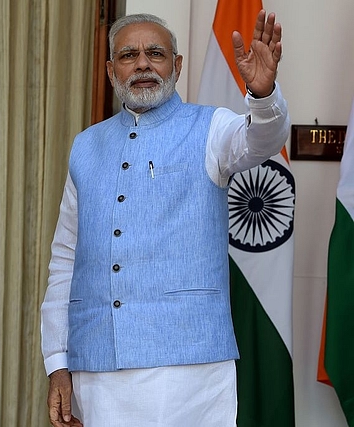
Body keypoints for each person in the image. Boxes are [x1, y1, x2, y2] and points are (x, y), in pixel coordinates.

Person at [41, 10, 289, 427]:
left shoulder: (211, 128)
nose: (142, 64)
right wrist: (57, 361)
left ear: (176, 65)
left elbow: (261, 140)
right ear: (110, 69)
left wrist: (263, 97)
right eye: (128, 55)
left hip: (188, 368)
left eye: (155, 53)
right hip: (96, 365)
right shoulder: (86, 146)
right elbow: (65, 259)